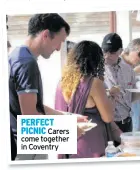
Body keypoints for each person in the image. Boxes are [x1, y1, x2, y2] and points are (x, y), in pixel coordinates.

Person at [8, 14, 87, 160]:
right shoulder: (26, 63)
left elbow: (33, 106)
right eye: (59, 42)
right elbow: (30, 118)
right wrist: (68, 132)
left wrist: (68, 117)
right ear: (45, 35)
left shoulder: (16, 55)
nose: (58, 49)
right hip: (26, 145)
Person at [55, 40, 114, 158]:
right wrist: (112, 97)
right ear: (96, 60)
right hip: (91, 145)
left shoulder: (62, 82)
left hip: (69, 144)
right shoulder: (94, 83)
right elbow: (108, 117)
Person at [103, 35, 140, 133]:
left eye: (112, 52)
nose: (107, 55)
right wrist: (109, 93)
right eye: (105, 51)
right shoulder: (97, 68)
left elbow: (130, 97)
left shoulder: (128, 70)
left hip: (126, 122)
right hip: (108, 123)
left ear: (120, 51)